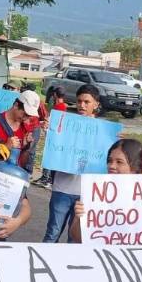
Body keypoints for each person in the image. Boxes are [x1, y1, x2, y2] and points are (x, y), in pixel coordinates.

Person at [43, 83, 100, 242]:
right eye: (79, 101)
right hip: (62, 187)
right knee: (52, 233)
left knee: (74, 237)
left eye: (87, 102)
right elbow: (54, 147)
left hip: (85, 192)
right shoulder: (64, 123)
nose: (82, 105)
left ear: (96, 104)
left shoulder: (103, 131)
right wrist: (49, 129)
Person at [70, 139, 142, 242]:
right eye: (110, 161)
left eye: (119, 162)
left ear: (135, 168)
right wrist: (79, 218)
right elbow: (77, 238)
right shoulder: (94, 193)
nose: (112, 166)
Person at [0, 89, 39, 166]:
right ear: (16, 105)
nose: (26, 118)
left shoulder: (25, 128)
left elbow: (21, 164)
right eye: (25, 114)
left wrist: (26, 147)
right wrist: (6, 147)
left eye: (29, 116)